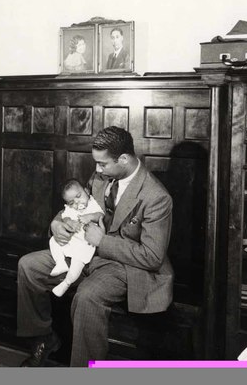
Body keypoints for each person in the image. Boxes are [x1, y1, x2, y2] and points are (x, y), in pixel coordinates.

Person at [16, 126, 174, 367]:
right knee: (28, 266)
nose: (97, 170)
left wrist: (103, 241)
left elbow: (152, 257)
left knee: (87, 297)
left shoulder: (156, 196)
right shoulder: (101, 177)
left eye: (102, 164)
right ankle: (44, 339)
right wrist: (57, 223)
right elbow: (77, 205)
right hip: (83, 251)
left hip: (123, 266)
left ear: (123, 159)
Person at [49, 179, 105, 297]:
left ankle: (66, 283)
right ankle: (60, 263)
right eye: (71, 202)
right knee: (53, 241)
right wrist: (68, 221)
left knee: (77, 263)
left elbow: (100, 215)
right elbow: (64, 216)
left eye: (79, 196)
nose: (77, 203)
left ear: (86, 191)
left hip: (85, 243)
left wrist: (90, 217)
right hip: (72, 239)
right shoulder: (71, 208)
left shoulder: (92, 204)